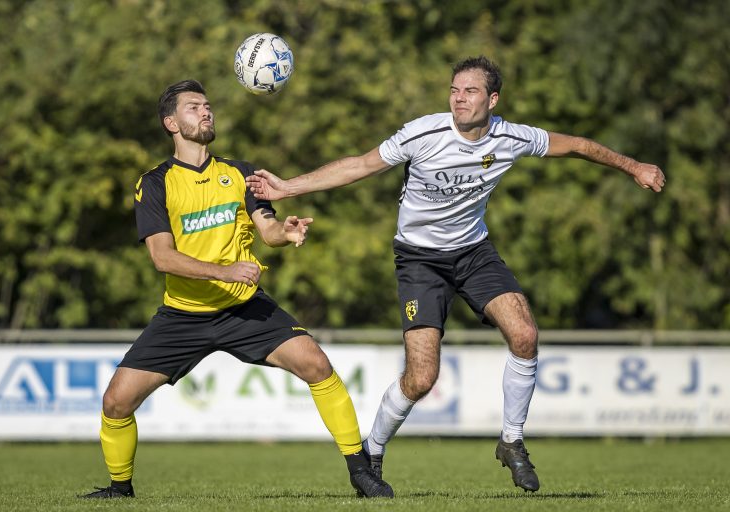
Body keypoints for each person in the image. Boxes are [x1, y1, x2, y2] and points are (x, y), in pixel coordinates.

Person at [245, 56, 666, 493]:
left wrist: (633, 166)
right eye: (454, 90)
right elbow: (360, 165)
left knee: (524, 334)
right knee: (421, 378)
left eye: (470, 91)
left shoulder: (512, 137)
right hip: (419, 260)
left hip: (473, 253)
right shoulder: (424, 132)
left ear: (493, 98)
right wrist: (288, 187)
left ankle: (512, 440)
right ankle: (373, 448)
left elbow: (578, 145)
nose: (459, 99)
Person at [80, 80, 393, 499]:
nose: (206, 112)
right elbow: (162, 257)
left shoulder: (241, 173)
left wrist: (286, 230)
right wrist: (223, 271)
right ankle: (120, 489)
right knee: (115, 403)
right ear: (170, 122)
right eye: (194, 107)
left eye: (208, 106)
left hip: (244, 309)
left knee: (316, 363)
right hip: (183, 315)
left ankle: (361, 471)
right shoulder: (154, 184)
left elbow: (267, 229)